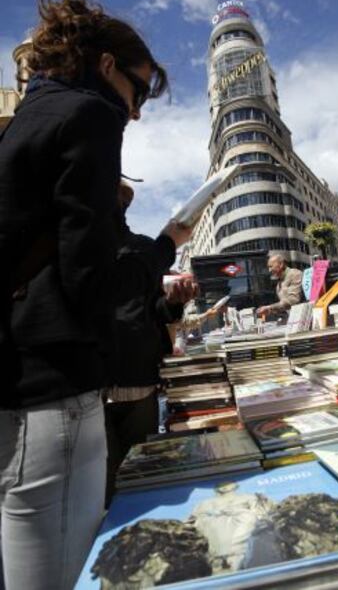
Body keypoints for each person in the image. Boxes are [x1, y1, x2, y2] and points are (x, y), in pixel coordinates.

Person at [0, 0, 168, 590]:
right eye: (138, 91)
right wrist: (161, 252)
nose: (136, 110)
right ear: (104, 65)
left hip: (18, 380)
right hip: (56, 390)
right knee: (60, 575)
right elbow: (90, 279)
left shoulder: (28, 119)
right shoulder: (90, 115)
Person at [105, 180, 196, 504]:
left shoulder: (141, 249)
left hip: (138, 384)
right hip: (89, 391)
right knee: (104, 484)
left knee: (139, 474)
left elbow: (154, 310)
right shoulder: (80, 246)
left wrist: (174, 301)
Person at [256, 252, 303, 319]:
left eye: (271, 266)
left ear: (281, 264)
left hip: (302, 318)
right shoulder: (279, 284)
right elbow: (283, 306)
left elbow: (293, 300)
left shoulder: (295, 274)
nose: (269, 270)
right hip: (292, 319)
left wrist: (270, 307)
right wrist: (269, 311)